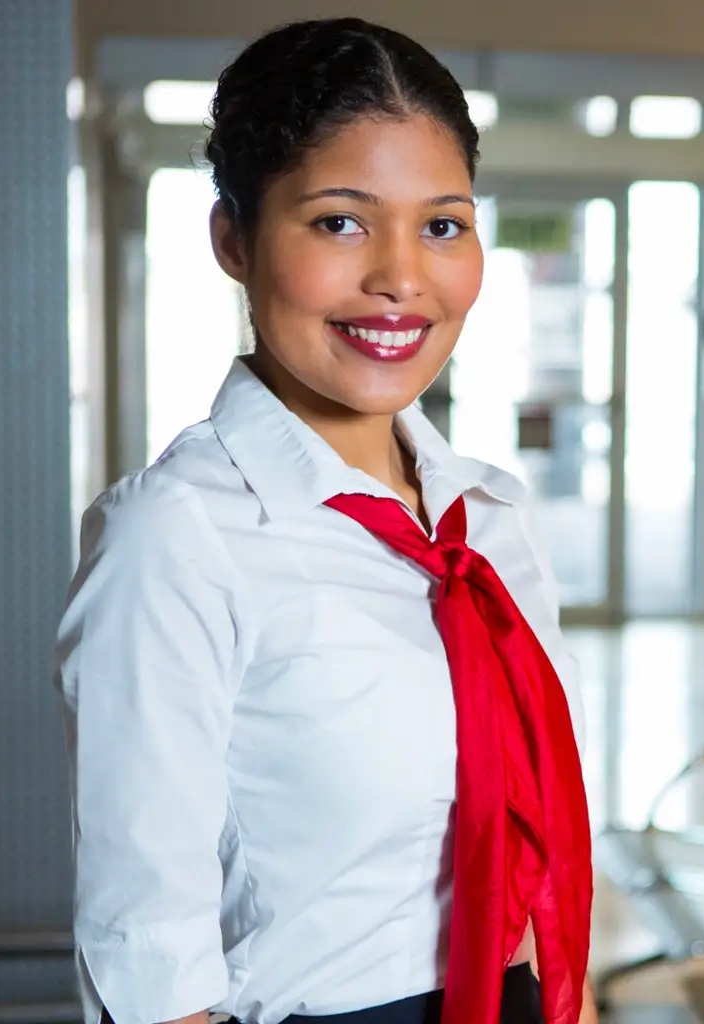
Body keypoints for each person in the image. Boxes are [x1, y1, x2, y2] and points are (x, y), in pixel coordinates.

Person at [54, 20, 594, 1024]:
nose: (402, 277)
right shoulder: (179, 538)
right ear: (233, 238)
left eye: (443, 226)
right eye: (341, 222)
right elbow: (146, 954)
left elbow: (534, 868)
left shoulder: (488, 523)